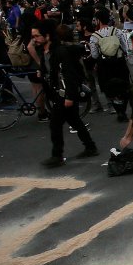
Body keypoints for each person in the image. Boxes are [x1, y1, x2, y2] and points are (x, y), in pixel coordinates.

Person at [32, 20, 98, 167]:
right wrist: (42, 72)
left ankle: (57, 156)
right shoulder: (44, 51)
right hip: (57, 93)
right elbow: (51, 70)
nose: (34, 39)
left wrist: (69, 96)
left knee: (55, 125)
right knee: (75, 121)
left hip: (64, 94)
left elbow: (69, 75)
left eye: (37, 36)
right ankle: (90, 147)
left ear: (47, 36)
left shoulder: (60, 52)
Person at [89, 10, 133, 121]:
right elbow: (125, 48)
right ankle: (123, 110)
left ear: (98, 20)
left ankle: (117, 109)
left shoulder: (94, 36)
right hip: (119, 63)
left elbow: (94, 55)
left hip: (105, 66)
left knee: (110, 88)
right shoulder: (117, 31)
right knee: (123, 86)